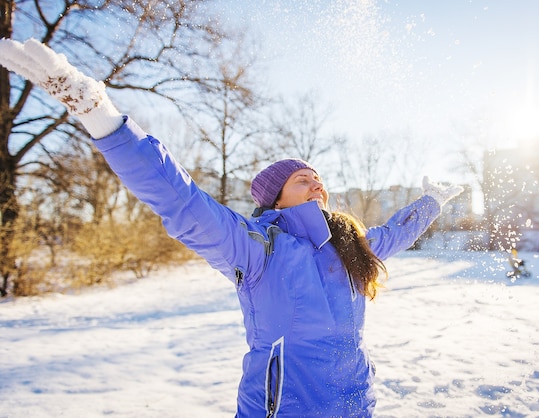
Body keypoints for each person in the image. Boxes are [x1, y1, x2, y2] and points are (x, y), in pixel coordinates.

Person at [0, 38, 463, 417]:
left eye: (319, 178)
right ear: (276, 197)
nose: (316, 183)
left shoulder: (350, 243)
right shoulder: (257, 246)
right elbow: (181, 200)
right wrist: (100, 113)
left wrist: (432, 203)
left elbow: (397, 232)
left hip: (356, 405)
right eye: (302, 179)